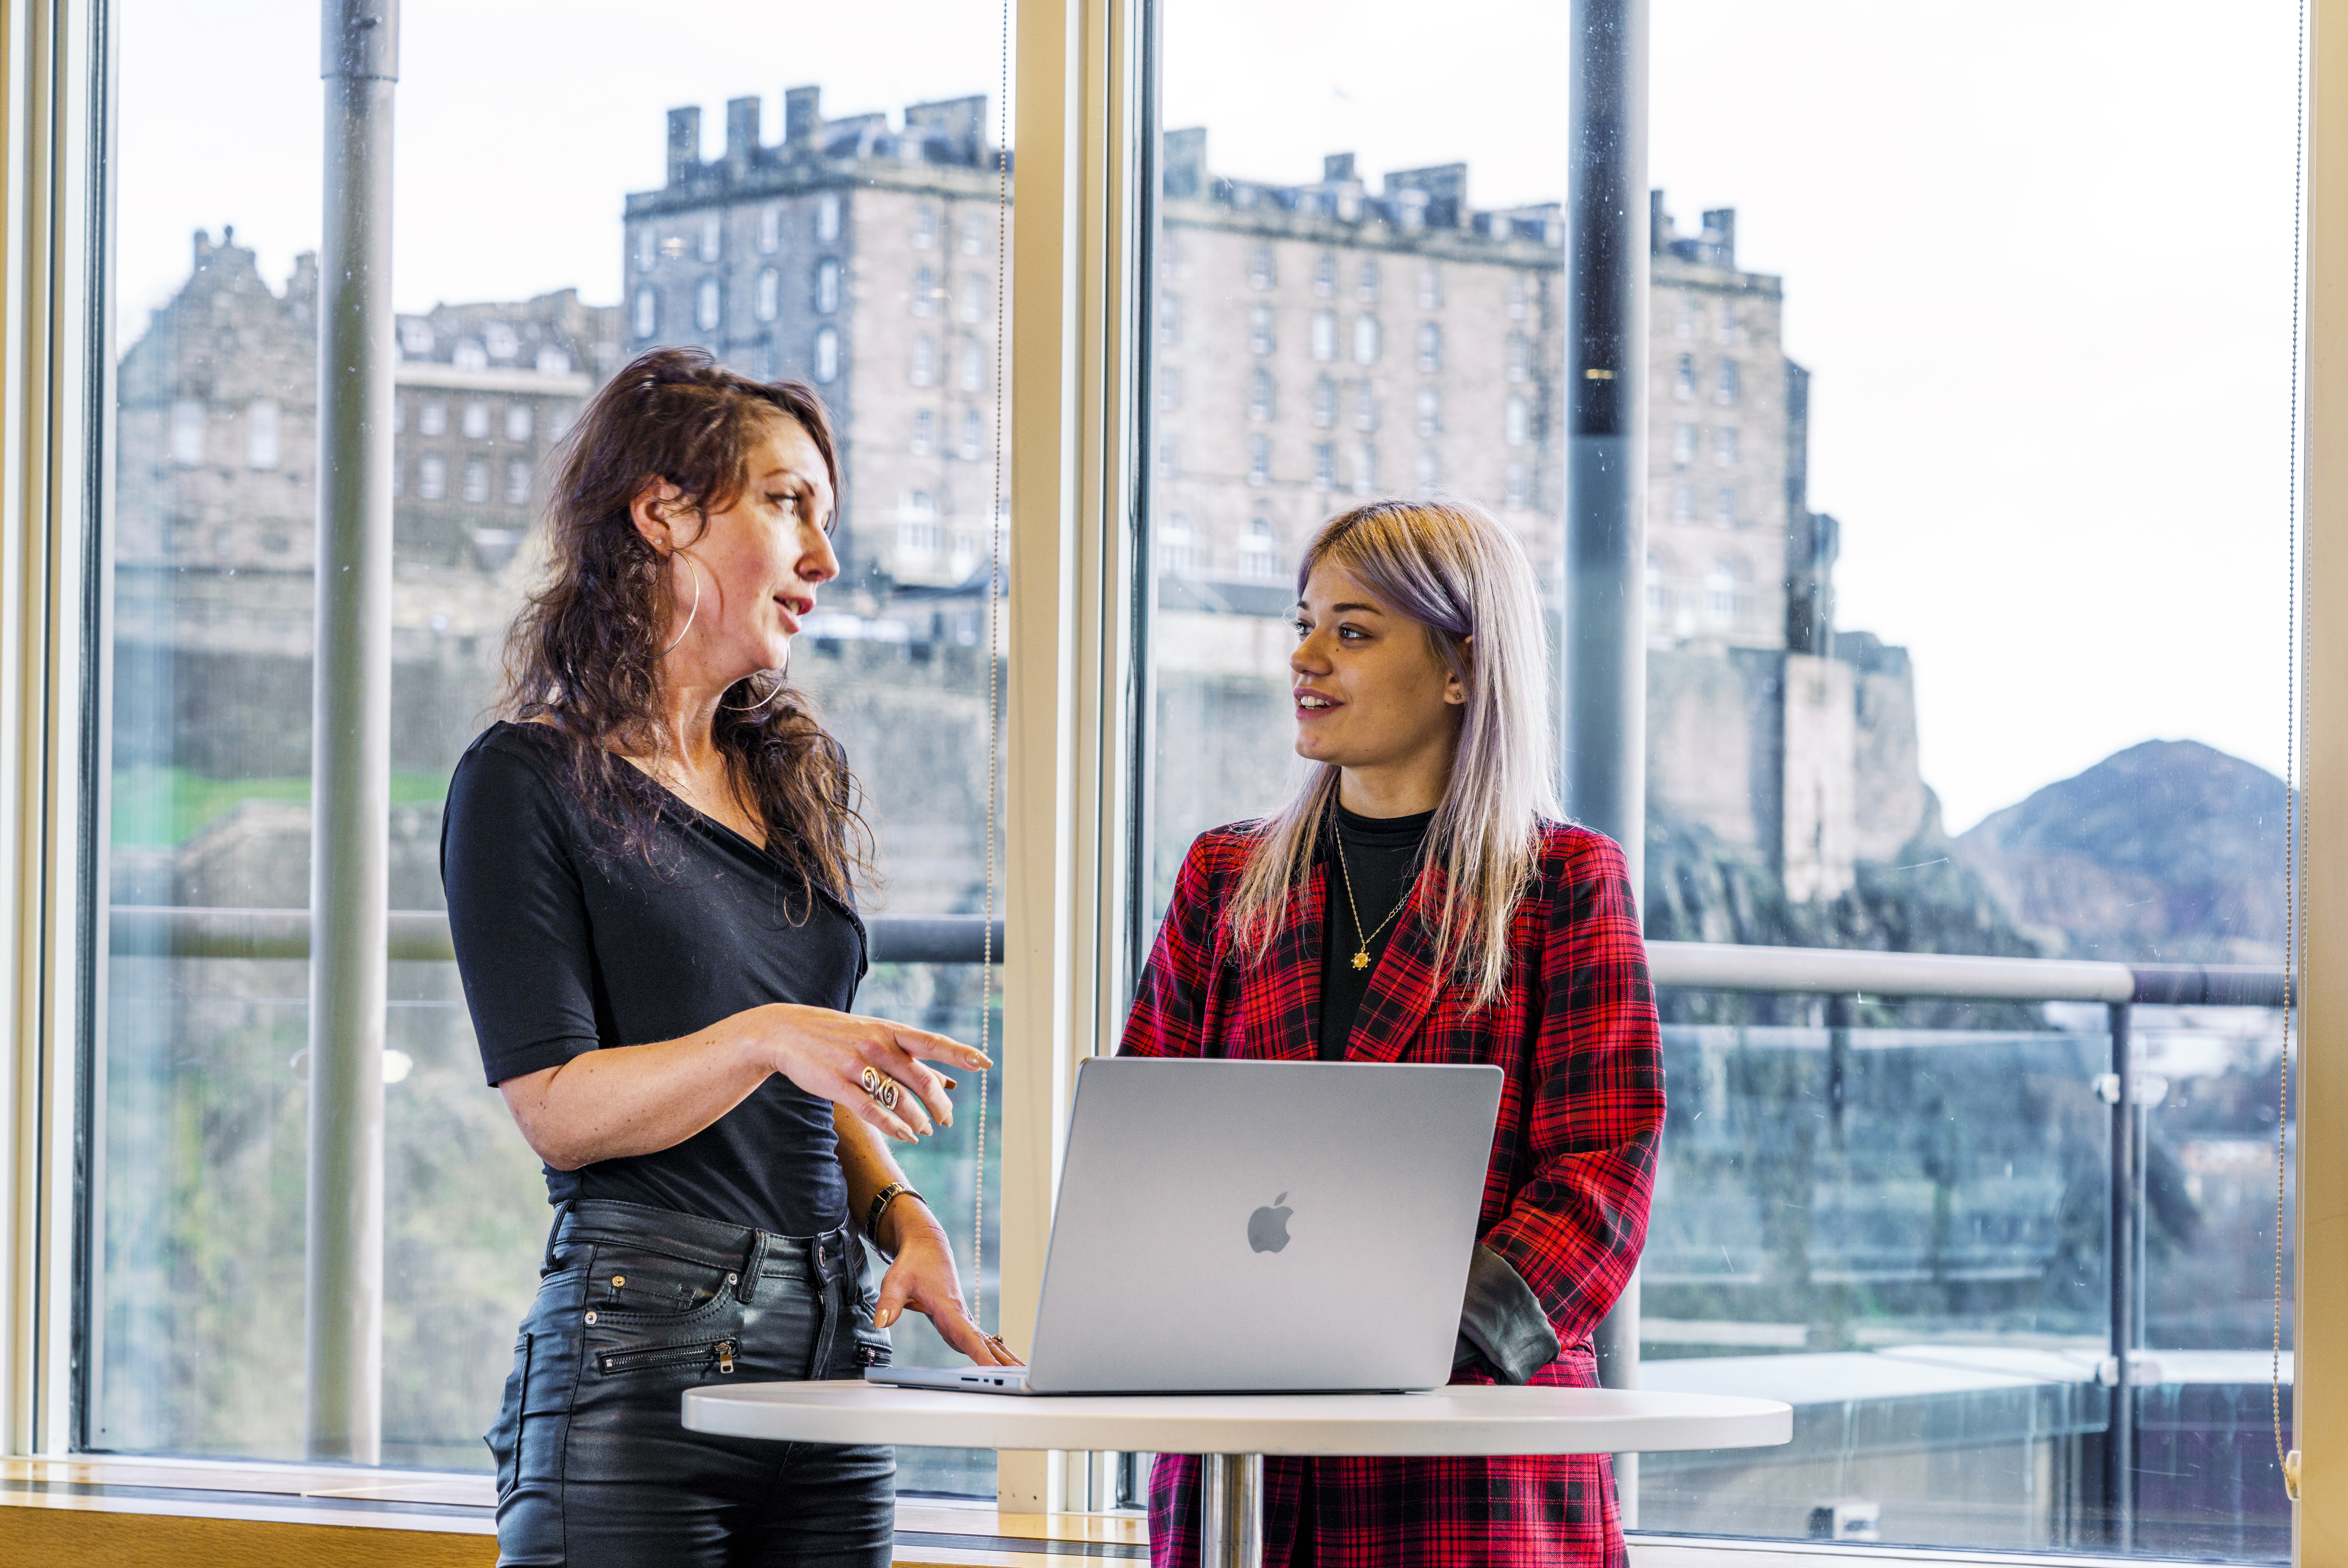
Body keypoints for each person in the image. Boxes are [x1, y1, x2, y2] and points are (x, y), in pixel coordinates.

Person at [443, 347, 1019, 1567]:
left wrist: (900, 1213)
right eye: (787, 502)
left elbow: (794, 1076)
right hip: (636, 1371)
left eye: (826, 516)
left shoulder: (782, 776)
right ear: (663, 513)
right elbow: (559, 1110)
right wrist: (767, 1030)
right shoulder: (523, 780)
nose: (823, 558)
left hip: (826, 1364)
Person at [1123, 499, 1664, 1568]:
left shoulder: (1561, 881)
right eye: (1302, 623)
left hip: (1467, 1455)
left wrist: (1411, 1333)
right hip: (1244, 1451)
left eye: (1353, 630)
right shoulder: (1224, 877)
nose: (1306, 657)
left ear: (1463, 664)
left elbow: (1602, 1175)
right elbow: (1142, 1145)